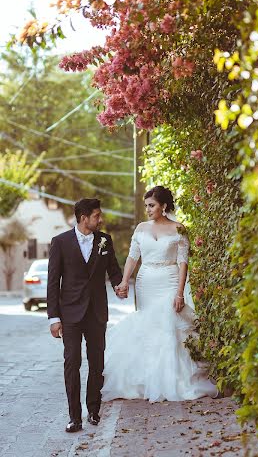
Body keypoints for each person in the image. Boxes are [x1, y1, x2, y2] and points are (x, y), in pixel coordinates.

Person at [101, 185, 217, 403]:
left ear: (164, 206)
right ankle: (148, 379)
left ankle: (173, 381)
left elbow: (183, 263)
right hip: (146, 283)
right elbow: (132, 258)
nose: (148, 209)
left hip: (169, 281)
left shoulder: (179, 229)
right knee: (149, 326)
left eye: (151, 205)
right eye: (146, 206)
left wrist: (180, 292)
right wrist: (125, 281)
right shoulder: (141, 228)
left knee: (168, 325)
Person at [47, 198, 127, 433]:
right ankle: (74, 417)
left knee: (97, 362)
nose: (100, 219)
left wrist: (118, 286)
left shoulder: (104, 240)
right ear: (84, 218)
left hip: (96, 312)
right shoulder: (60, 242)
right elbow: (53, 282)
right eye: (96, 215)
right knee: (72, 362)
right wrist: (54, 317)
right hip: (70, 314)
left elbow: (113, 269)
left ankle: (93, 410)